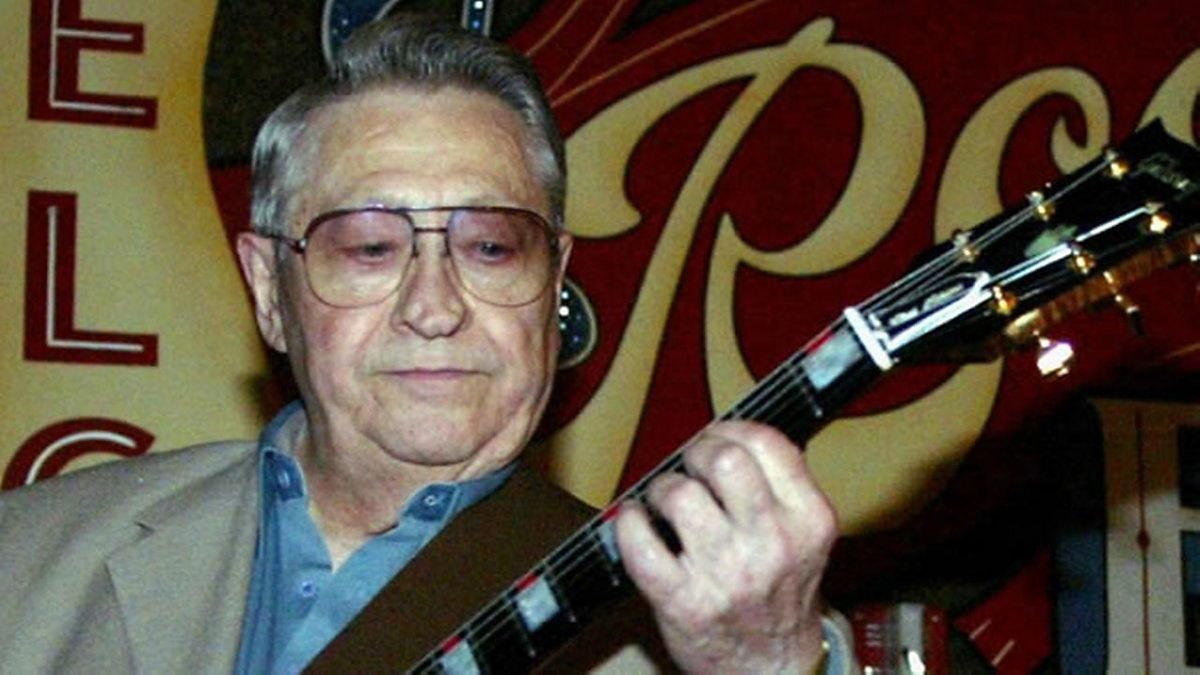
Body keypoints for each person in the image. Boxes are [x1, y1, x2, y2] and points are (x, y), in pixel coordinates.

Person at [0, 14, 849, 674]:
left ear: (554, 282)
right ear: (267, 290)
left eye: (491, 247)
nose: (434, 306)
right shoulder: (27, 559)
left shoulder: (710, 636)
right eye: (371, 247)